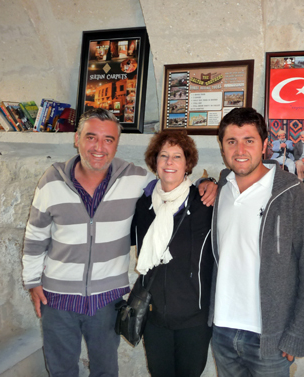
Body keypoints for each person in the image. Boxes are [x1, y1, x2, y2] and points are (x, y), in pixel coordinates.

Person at [22, 109, 216, 377]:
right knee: (61, 370)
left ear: (117, 144)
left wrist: (208, 181)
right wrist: (32, 281)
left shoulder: (135, 179)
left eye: (109, 139)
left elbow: (172, 183)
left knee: (105, 370)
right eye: (91, 137)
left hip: (106, 298)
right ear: (77, 138)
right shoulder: (51, 180)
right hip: (57, 297)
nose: (99, 147)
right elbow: (35, 235)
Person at [209, 107, 304, 377]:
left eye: (249, 140)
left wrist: (299, 331)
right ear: (223, 148)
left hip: (270, 338)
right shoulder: (222, 188)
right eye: (231, 141)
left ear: (265, 145)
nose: (240, 150)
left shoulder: (290, 192)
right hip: (223, 331)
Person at [131, 130, 214, 377]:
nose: (169, 162)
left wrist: (213, 183)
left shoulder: (204, 204)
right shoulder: (144, 206)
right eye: (163, 156)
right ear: (154, 162)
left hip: (194, 320)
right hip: (155, 319)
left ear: (187, 164)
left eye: (177, 156)